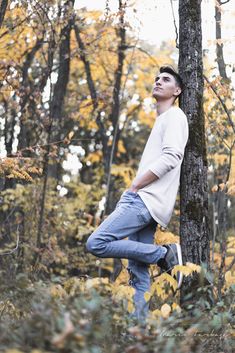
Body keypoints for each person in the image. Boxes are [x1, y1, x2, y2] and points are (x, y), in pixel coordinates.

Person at [86, 65, 189, 320]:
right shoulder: (162, 120)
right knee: (138, 275)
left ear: (177, 90)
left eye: (166, 80)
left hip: (142, 200)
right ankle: (138, 334)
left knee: (96, 243)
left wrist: (135, 185)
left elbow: (172, 156)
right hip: (149, 204)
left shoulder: (175, 116)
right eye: (156, 78)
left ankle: (164, 254)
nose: (158, 81)